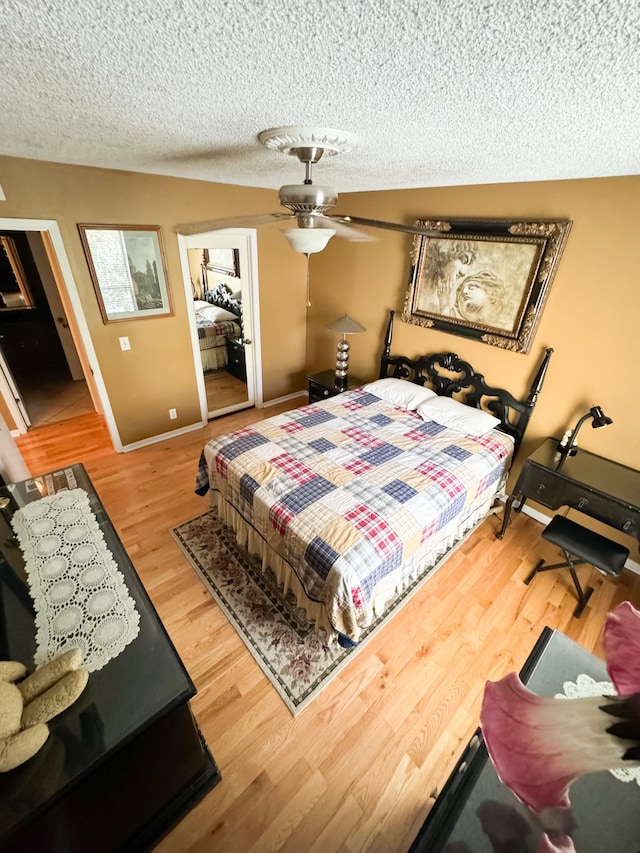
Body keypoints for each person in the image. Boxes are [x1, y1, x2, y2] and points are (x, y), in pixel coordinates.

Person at [416, 240, 476, 316]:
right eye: (464, 260)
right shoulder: (422, 276)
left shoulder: (450, 298)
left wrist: (445, 307)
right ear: (447, 253)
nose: (463, 271)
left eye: (460, 276)